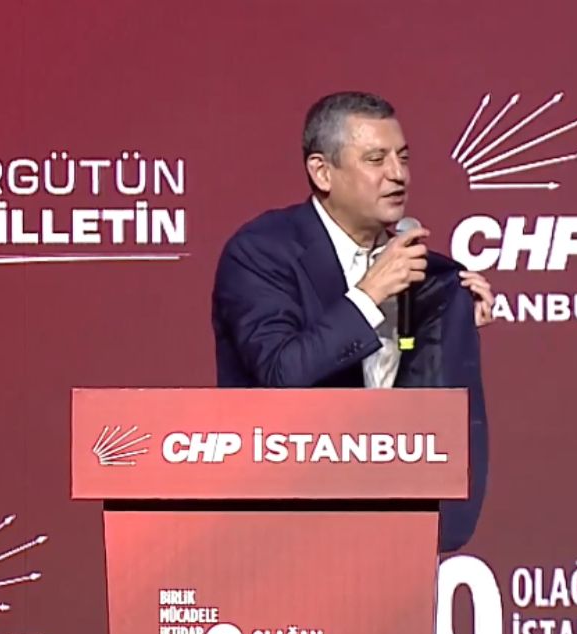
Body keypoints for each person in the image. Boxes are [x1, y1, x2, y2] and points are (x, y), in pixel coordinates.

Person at [210, 91, 493, 552]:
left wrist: (451, 324)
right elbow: (280, 374)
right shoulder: (261, 253)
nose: (398, 174)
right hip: (286, 527)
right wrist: (367, 296)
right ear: (322, 172)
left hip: (397, 528)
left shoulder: (428, 275)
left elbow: (427, 403)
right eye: (376, 159)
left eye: (403, 158)